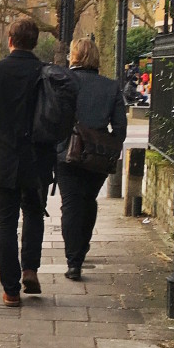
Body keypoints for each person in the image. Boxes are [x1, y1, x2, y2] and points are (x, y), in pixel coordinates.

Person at [0, 17, 54, 307]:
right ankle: (30, 269)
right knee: (33, 213)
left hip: (6, 156)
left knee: (6, 224)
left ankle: (10, 290)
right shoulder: (45, 72)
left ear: (10, 40)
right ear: (34, 42)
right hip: (37, 156)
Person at [56, 38, 126, 281]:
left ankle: (73, 260)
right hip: (97, 156)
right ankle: (82, 249)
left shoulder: (63, 81)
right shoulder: (110, 86)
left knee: (71, 204)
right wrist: (110, 148)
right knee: (88, 201)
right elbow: (120, 127)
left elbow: (52, 117)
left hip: (67, 152)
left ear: (73, 56)